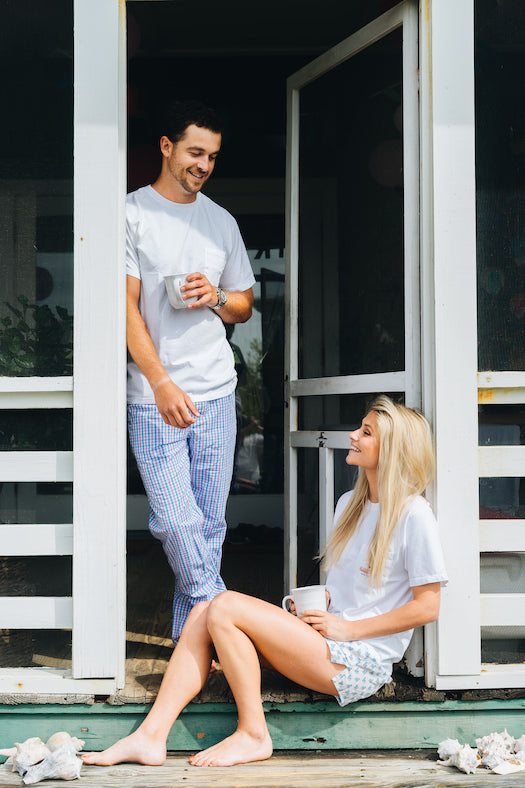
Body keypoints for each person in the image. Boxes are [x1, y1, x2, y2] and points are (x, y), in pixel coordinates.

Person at [83, 395, 448, 769]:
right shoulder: (349, 505)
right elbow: (353, 588)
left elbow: (428, 606)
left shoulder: (413, 514)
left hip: (358, 663)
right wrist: (319, 605)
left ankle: (254, 734)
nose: (353, 435)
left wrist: (350, 629)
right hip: (325, 644)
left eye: (366, 432)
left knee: (223, 605)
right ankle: (149, 737)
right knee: (203, 610)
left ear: (391, 449)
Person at [126, 99, 255, 643]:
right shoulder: (131, 215)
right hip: (154, 394)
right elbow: (124, 309)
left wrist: (217, 295)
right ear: (166, 147)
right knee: (177, 523)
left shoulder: (220, 221)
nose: (203, 165)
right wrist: (159, 381)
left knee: (208, 526)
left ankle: (191, 644)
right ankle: (226, 619)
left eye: (212, 157)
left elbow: (244, 304)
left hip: (217, 393)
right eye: (195, 152)